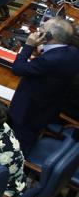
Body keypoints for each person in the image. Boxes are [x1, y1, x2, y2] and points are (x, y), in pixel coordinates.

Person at [9, 17, 79, 154]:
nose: (38, 29)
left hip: (27, 112)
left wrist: (29, 45)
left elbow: (18, 69)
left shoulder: (49, 60)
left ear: (48, 36)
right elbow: (54, 67)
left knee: (17, 147)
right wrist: (45, 50)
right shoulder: (73, 52)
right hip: (48, 108)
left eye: (42, 28)